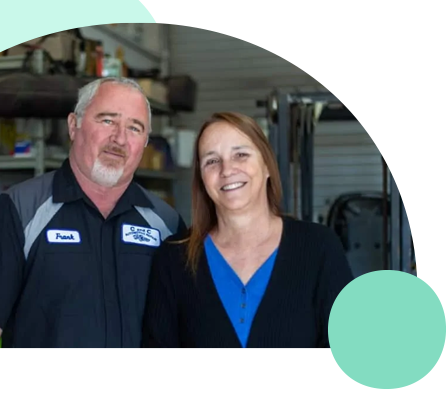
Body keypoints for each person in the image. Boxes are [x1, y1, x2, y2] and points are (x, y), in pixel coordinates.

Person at [0, 77, 187, 348]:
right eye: (107, 120)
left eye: (134, 128)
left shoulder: (166, 224)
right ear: (73, 126)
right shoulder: (20, 211)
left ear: (144, 142)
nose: (119, 138)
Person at [141, 112, 354, 349]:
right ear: (201, 178)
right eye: (212, 161)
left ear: (267, 165)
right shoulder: (173, 259)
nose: (227, 170)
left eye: (240, 155)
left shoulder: (319, 248)